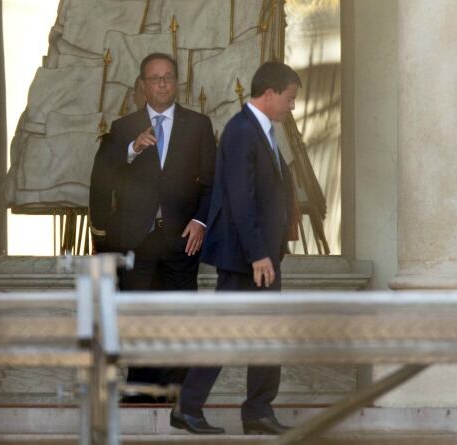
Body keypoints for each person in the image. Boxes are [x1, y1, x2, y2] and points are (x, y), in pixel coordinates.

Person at [170, 61, 300, 435]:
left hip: (260, 255)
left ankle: (257, 410)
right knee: (226, 330)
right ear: (270, 93)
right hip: (248, 257)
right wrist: (259, 253)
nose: (292, 106)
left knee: (266, 333)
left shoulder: (261, 131)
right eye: (290, 98)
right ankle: (189, 407)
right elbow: (241, 199)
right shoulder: (242, 131)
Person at [89, 52, 216, 400]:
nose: (162, 83)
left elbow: (211, 181)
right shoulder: (123, 127)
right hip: (137, 239)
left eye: (168, 77)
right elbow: (103, 175)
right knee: (138, 315)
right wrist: (132, 148)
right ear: (143, 86)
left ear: (177, 83)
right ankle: (142, 393)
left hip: (181, 239)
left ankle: (177, 395)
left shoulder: (198, 125)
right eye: (154, 78)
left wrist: (201, 220)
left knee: (179, 316)